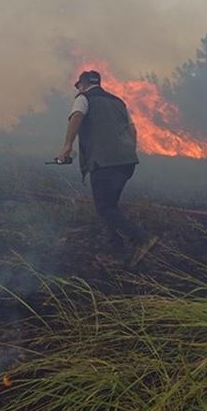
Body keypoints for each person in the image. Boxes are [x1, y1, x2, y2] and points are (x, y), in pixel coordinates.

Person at [57, 70, 159, 267]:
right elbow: (132, 129)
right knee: (109, 207)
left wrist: (67, 147)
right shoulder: (118, 102)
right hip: (127, 162)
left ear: (84, 84)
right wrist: (128, 150)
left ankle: (142, 239)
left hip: (104, 163)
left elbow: (76, 117)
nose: (77, 89)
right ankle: (117, 251)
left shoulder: (83, 98)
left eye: (78, 85)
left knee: (105, 208)